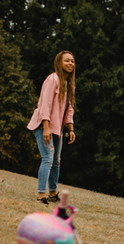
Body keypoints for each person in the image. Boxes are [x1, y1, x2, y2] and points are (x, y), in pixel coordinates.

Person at [27, 51, 76, 205]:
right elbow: (45, 104)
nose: (70, 63)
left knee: (56, 161)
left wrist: (71, 128)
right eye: (67, 60)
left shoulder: (70, 84)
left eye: (72, 61)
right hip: (44, 125)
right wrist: (46, 126)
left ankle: (53, 194)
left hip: (58, 128)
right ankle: (41, 195)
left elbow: (69, 108)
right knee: (48, 159)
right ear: (59, 63)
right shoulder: (52, 79)